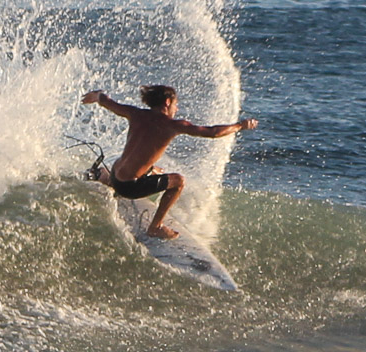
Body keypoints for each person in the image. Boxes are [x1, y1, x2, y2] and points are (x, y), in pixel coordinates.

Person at [80, 85, 257, 240]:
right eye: (175, 104)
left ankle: (106, 179)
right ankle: (156, 226)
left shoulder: (135, 113)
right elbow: (212, 132)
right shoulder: (171, 125)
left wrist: (98, 95)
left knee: (149, 167)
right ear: (167, 102)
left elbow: (107, 101)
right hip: (130, 188)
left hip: (116, 175)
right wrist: (240, 126)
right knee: (178, 181)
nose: (176, 108)